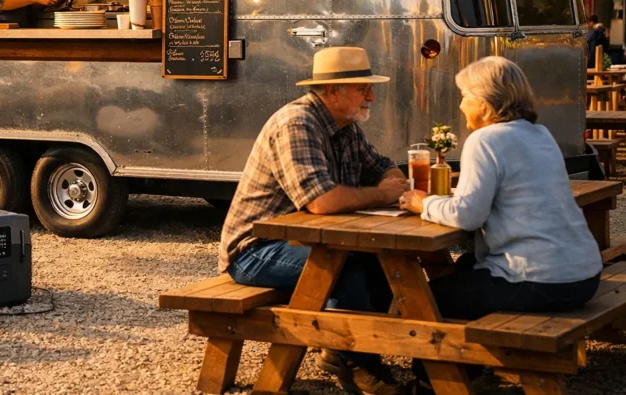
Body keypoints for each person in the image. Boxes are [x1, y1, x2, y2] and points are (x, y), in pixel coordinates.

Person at [400, 56, 602, 394]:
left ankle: (433, 385)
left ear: (484, 101)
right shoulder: (540, 134)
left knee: (427, 298)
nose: (461, 104)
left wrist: (424, 203)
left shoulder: (486, 140)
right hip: (584, 275)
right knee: (465, 271)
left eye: (464, 96)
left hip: (541, 281)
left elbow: (467, 216)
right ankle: (466, 369)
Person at [218, 47, 410, 395]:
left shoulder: (345, 125)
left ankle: (345, 351)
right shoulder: (297, 123)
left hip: (308, 244)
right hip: (255, 250)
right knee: (343, 269)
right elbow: (321, 202)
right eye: (362, 88)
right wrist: (384, 195)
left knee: (383, 262)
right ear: (331, 91)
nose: (372, 96)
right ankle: (358, 363)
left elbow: (384, 166)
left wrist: (391, 182)